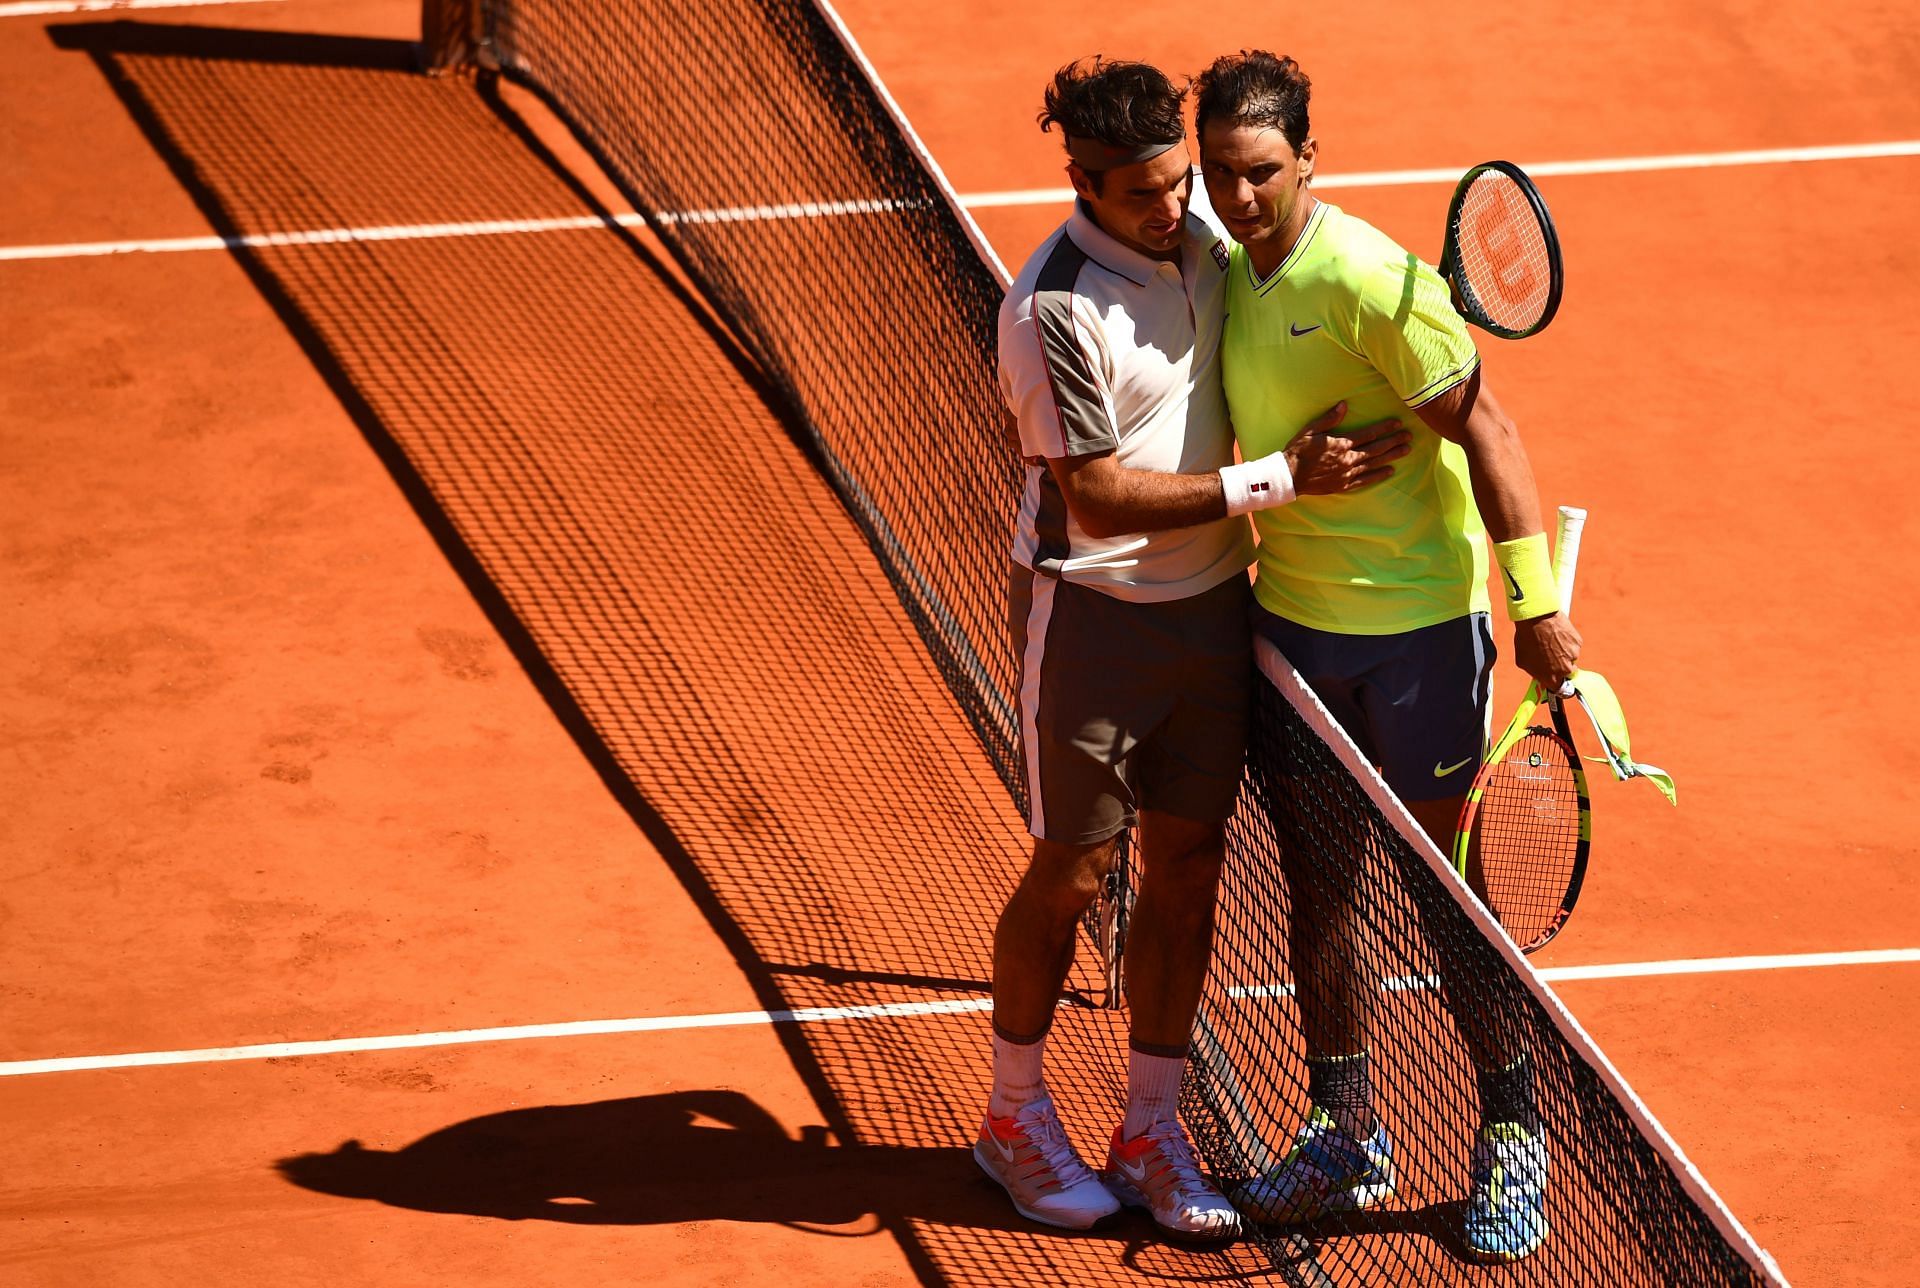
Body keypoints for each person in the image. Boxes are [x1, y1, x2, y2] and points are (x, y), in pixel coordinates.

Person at [979, 56, 1411, 1242]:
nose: (1175, 208)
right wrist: (1276, 481)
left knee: (1185, 874)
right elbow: (1102, 495)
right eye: (1141, 195)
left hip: (1215, 615)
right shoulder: (1052, 306)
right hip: (1096, 621)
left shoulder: (1208, 253)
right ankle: (1013, 1117)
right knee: (1074, 873)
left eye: (1180, 181)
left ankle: (1151, 1126)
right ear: (1081, 181)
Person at [1193, 51, 1582, 1263]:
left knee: (1444, 901)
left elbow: (1495, 432)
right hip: (1293, 636)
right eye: (1221, 176)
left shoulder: (1372, 279)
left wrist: (1535, 606)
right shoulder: (1220, 270)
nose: (1240, 197)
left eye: (1261, 172)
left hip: (1416, 640)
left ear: (1311, 157)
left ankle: (1513, 1138)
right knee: (1318, 891)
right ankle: (1346, 1128)